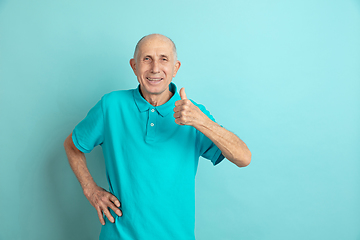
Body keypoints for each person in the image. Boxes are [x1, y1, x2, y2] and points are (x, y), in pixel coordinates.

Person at [64, 33, 251, 240]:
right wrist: (90, 189)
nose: (155, 68)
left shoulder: (193, 112)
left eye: (164, 59)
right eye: (147, 59)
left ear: (175, 68)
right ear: (134, 66)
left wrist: (202, 122)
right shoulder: (111, 106)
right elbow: (72, 146)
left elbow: (243, 158)